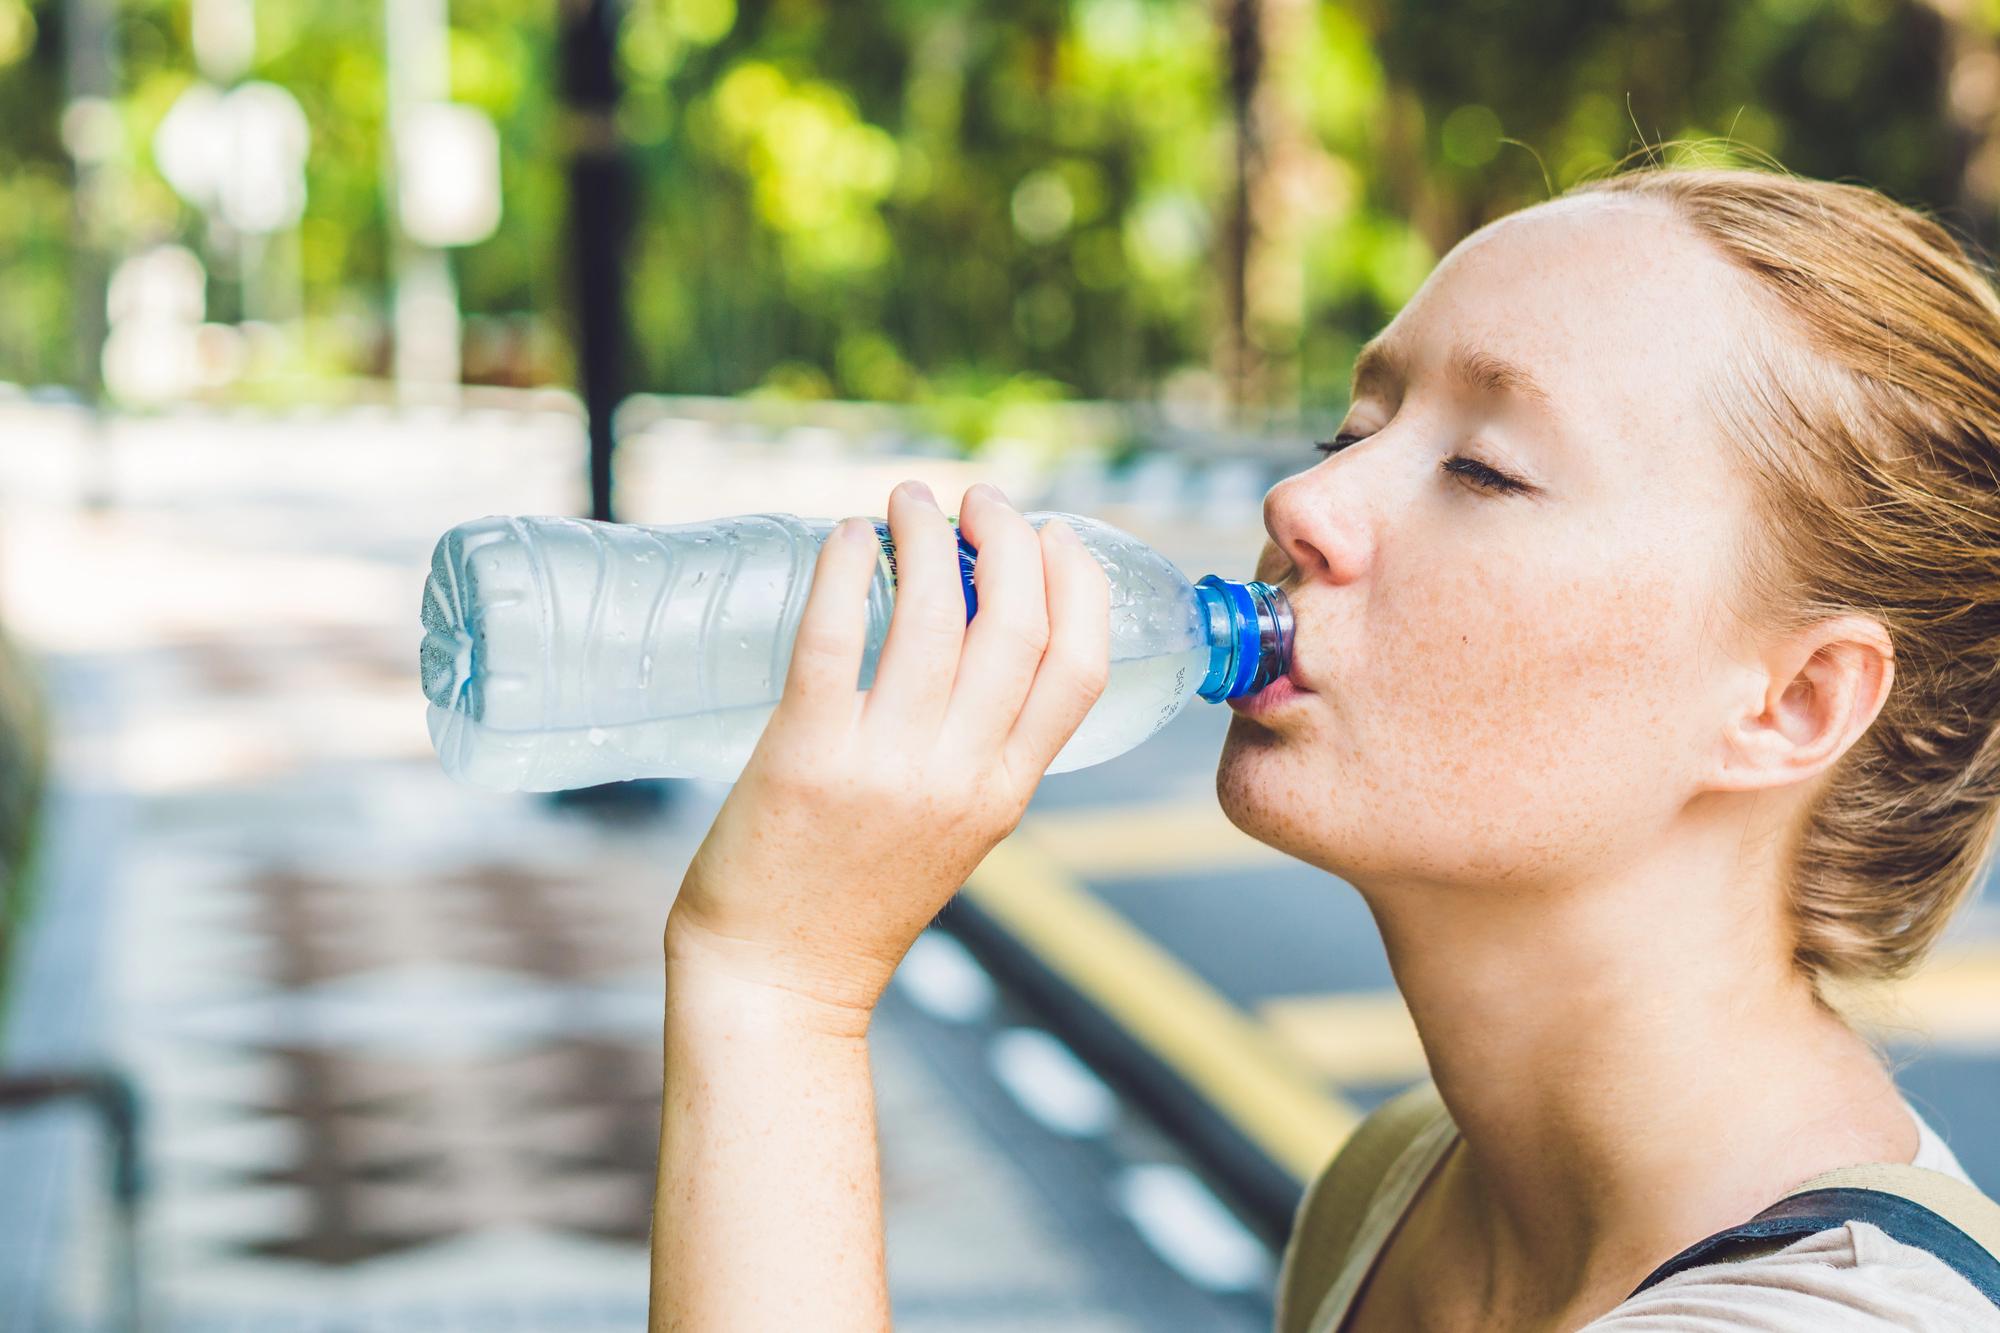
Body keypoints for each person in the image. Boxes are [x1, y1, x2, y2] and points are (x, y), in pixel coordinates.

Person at [647, 161, 2000, 1331]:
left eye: (1484, 468)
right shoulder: (1403, 1182)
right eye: (1352, 429)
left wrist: (779, 986)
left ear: (1795, 702)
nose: (1304, 497)